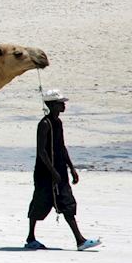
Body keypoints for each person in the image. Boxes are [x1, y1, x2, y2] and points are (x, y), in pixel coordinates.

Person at [25, 88, 101, 251]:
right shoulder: (44, 124)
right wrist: (52, 172)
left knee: (66, 202)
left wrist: (71, 168)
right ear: (52, 105)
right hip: (45, 172)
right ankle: (31, 238)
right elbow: (41, 151)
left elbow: (61, 147)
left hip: (59, 170)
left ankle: (80, 240)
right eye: (60, 103)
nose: (63, 106)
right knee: (40, 202)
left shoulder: (58, 123)